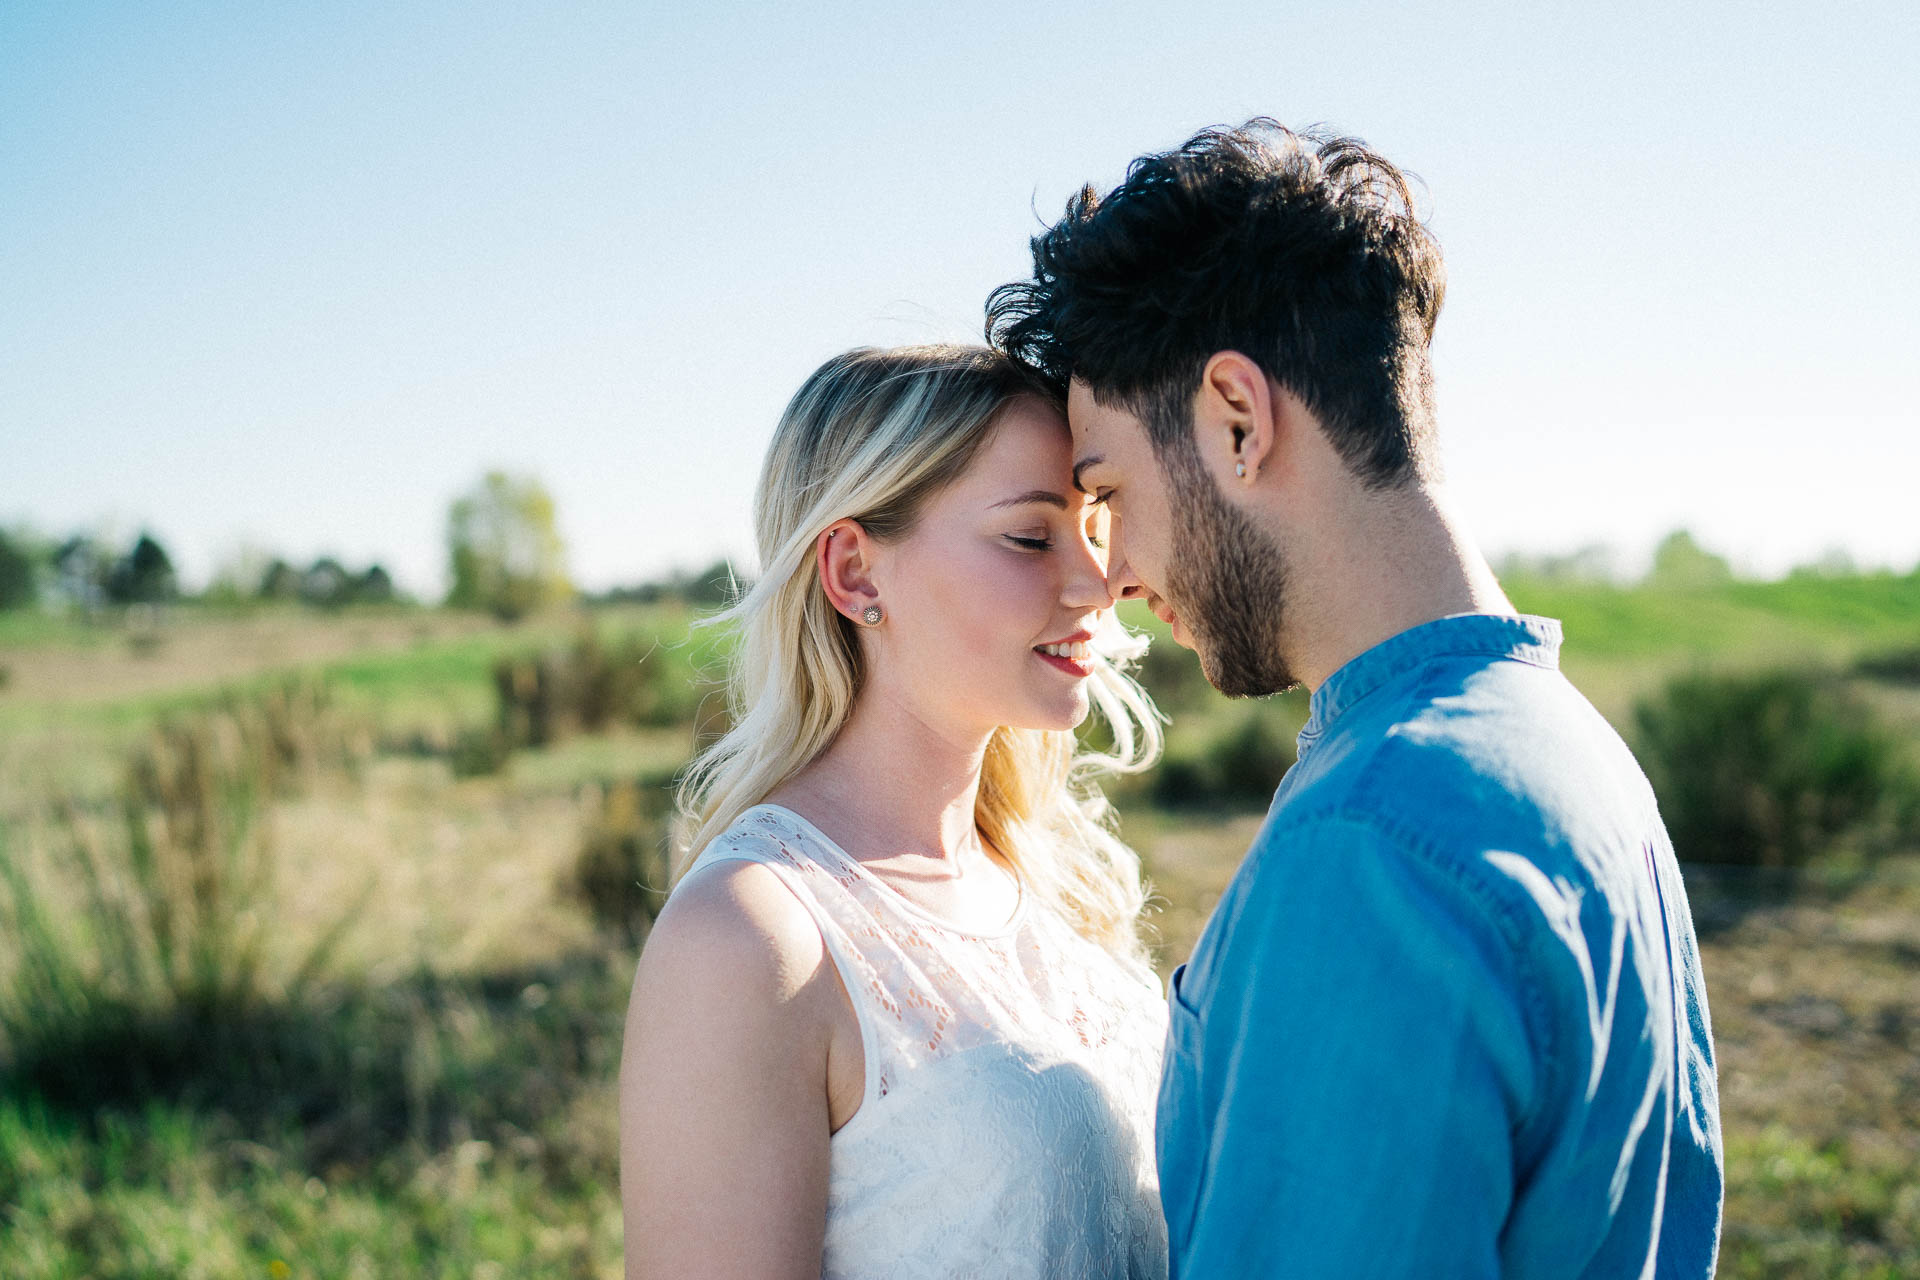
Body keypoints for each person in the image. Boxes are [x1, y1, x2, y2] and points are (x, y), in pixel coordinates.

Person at [987, 120, 1725, 1277]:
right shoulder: (1573, 754)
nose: (1113, 572)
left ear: (1238, 418)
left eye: (1107, 489)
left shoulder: (1375, 839)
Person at [618, 344, 1174, 1279]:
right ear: (855, 574)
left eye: (1094, 531)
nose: (1095, 585)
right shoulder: (751, 937)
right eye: (1032, 539)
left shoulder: (1058, 886)